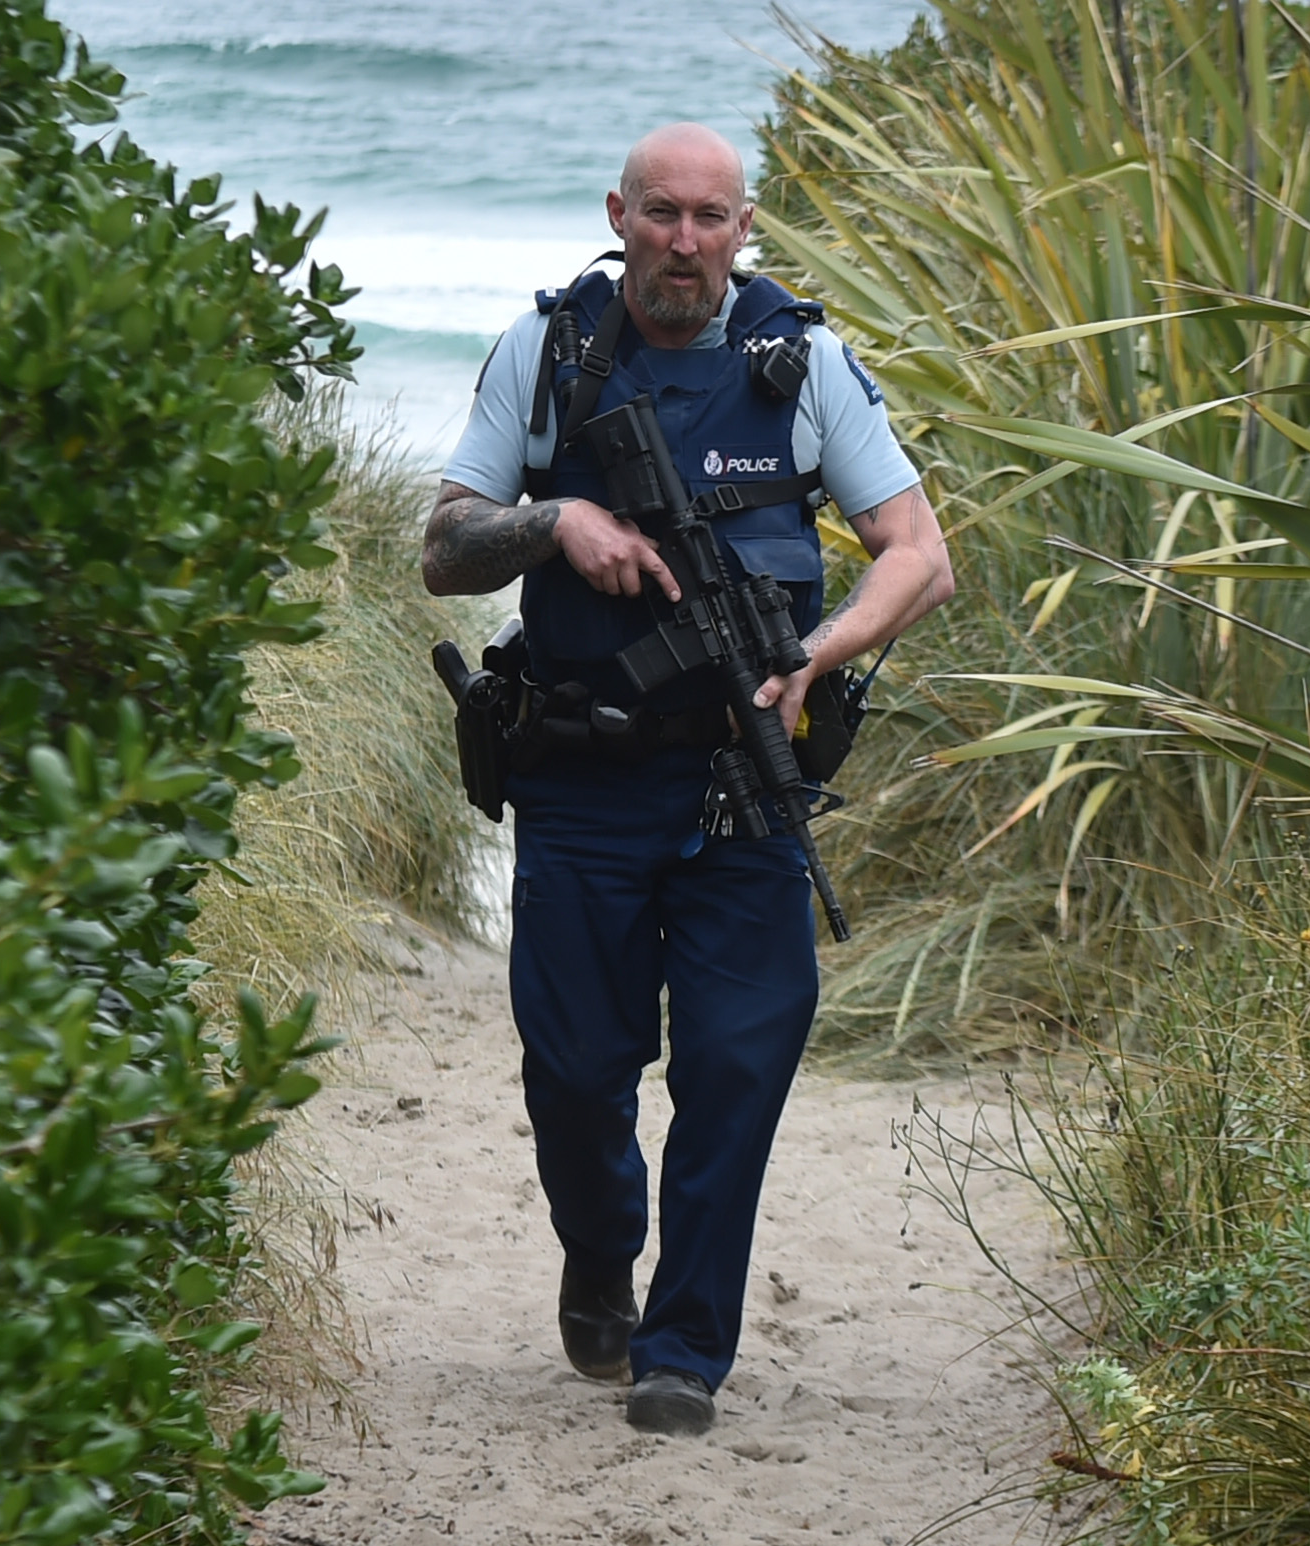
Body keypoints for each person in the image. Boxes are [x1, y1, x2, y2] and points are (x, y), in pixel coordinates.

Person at [422, 122, 953, 1438]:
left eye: (709, 217)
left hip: (745, 787)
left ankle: (684, 1346)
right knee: (575, 1066)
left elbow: (917, 557)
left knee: (736, 1062)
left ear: (743, 226)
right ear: (619, 213)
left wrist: (815, 657)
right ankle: (599, 1246)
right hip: (581, 782)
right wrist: (556, 522)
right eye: (659, 213)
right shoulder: (546, 354)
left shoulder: (804, 364)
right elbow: (444, 546)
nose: (683, 241)